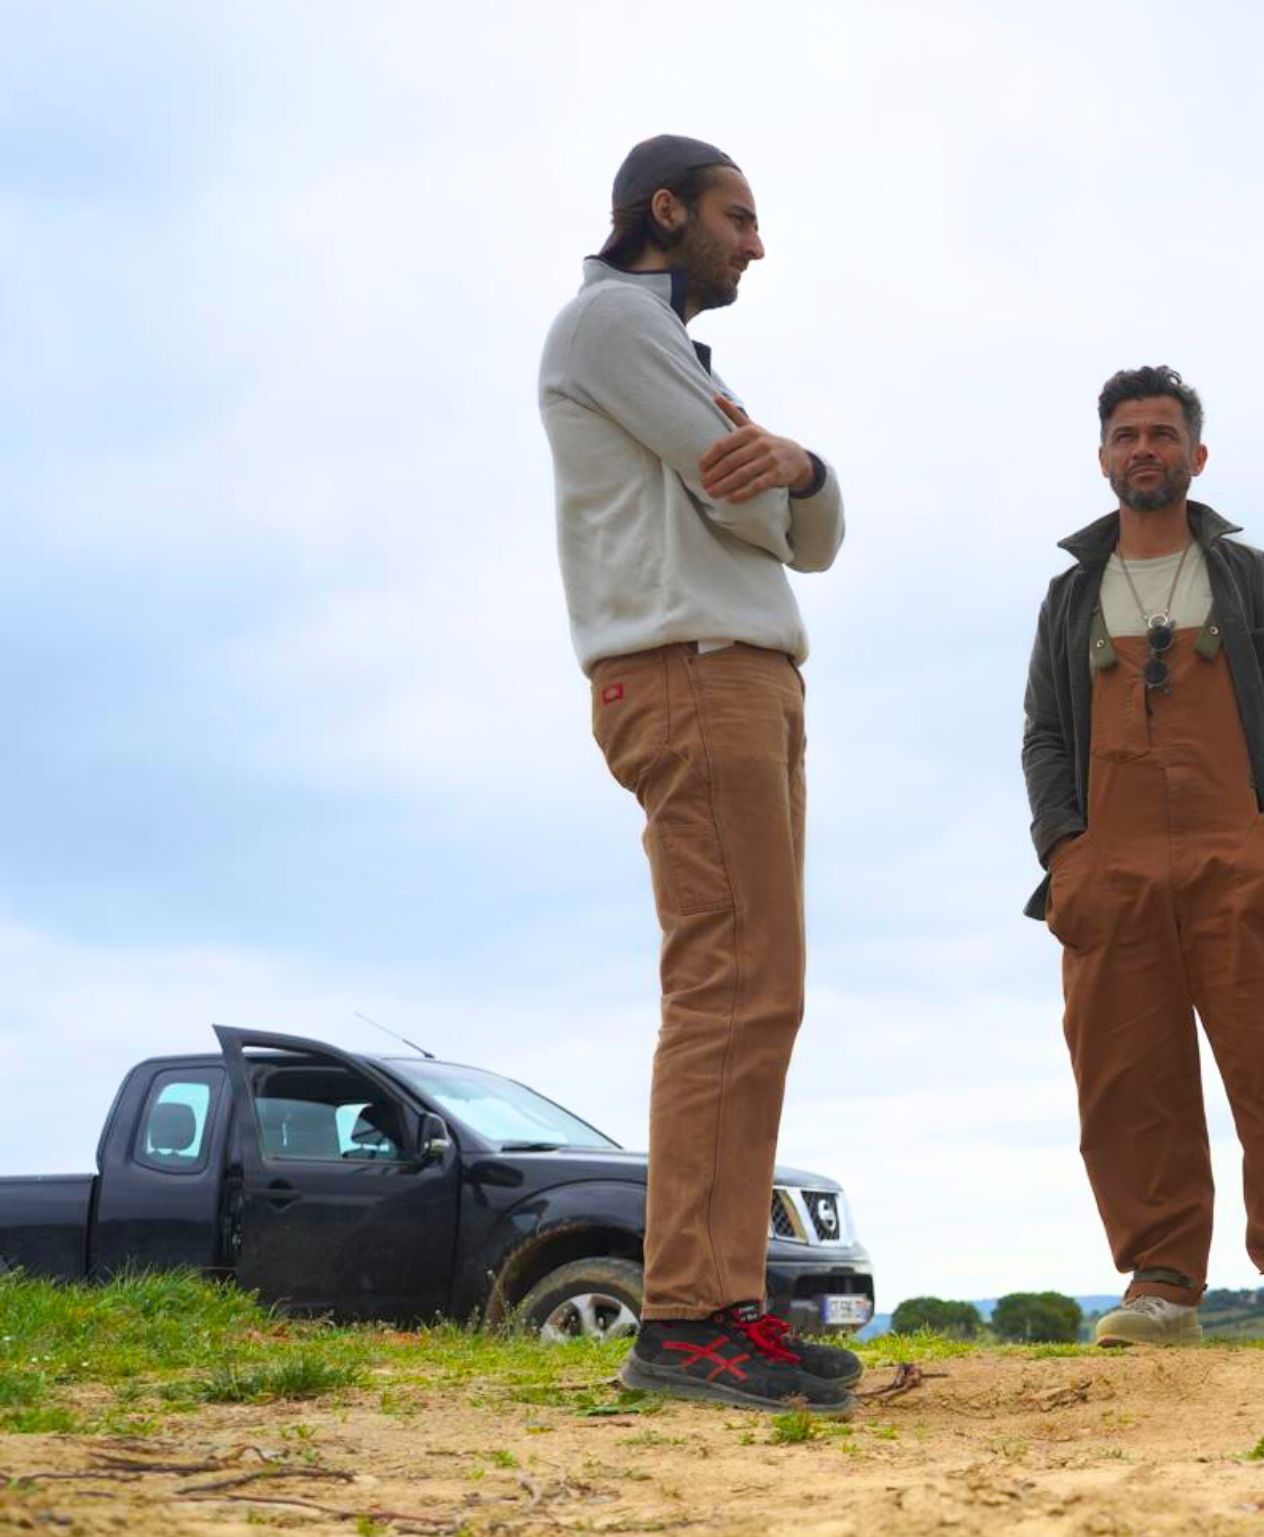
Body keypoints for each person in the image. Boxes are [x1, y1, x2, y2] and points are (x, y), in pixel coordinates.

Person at [538, 134, 859, 1409]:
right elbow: (744, 512)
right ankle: (684, 1319)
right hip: (688, 669)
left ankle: (721, 1304)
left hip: (743, 670)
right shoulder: (608, 325)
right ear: (664, 209)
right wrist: (777, 474)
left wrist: (804, 467)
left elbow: (812, 529)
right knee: (729, 982)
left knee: (757, 989)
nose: (756, 242)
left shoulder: (668, 347)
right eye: (738, 215)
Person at [1022, 365, 1264, 1348]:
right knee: (1124, 1079)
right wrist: (1064, 852)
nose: (1143, 450)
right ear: (1101, 458)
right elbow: (1043, 732)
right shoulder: (1071, 594)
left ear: (1194, 455)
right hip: (1108, 869)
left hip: (1236, 854)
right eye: (1125, 435)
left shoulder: (1247, 578)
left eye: (1161, 434)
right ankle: (1161, 1281)